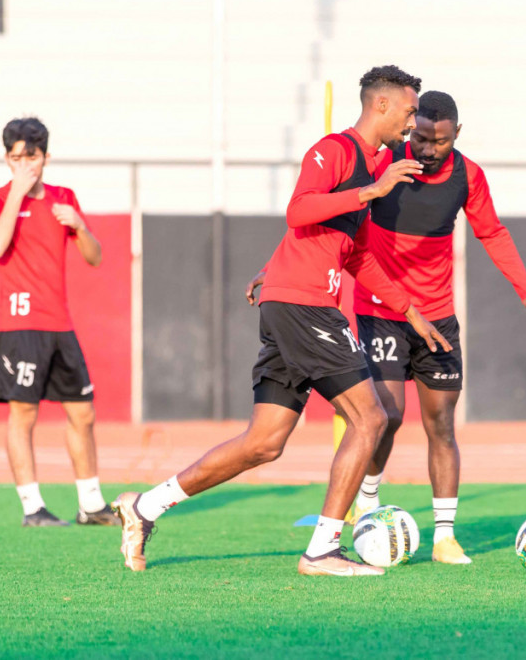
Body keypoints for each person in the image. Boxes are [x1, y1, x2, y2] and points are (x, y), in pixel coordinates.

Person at [114, 65, 452, 576]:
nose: (413, 122)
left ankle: (145, 507)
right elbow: (298, 211)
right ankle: (322, 550)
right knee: (372, 418)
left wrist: (409, 311)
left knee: (264, 443)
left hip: (296, 301)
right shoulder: (334, 151)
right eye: (408, 111)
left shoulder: (377, 163)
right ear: (380, 105)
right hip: (305, 306)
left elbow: (357, 254)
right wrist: (370, 193)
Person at [351, 90, 526, 564]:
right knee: (388, 414)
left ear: (456, 134)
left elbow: (492, 233)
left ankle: (444, 537)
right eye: (420, 137)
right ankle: (368, 501)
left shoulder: (468, 176)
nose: (427, 148)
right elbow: (336, 214)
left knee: (441, 423)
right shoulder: (384, 162)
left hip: (436, 315)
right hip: (381, 309)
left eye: (439, 141)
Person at [0, 117, 119, 527]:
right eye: (16, 158)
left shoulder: (63, 198)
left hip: (59, 324)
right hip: (19, 326)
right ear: (7, 159)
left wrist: (79, 225)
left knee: (83, 412)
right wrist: (17, 194)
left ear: (46, 157)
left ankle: (91, 505)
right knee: (24, 414)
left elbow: (95, 257)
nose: (24, 165)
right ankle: (32, 507)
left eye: (32, 157)